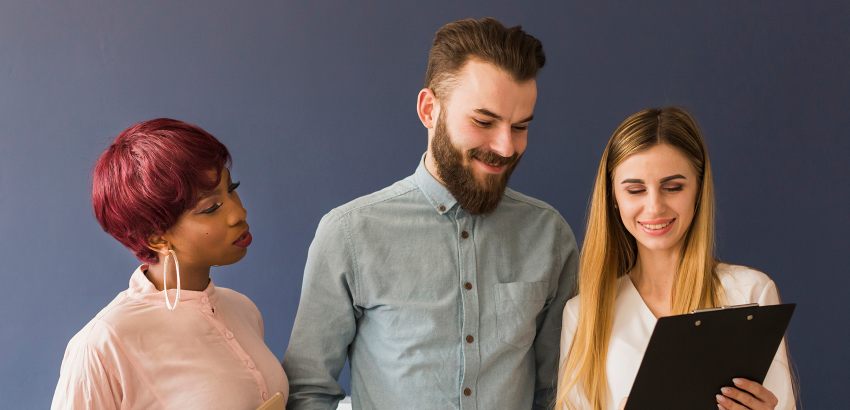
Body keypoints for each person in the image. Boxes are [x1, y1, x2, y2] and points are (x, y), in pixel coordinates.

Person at [282, 17, 578, 410]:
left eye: (520, 126)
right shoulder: (349, 234)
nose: (506, 147)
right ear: (429, 110)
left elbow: (559, 392)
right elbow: (308, 393)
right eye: (484, 121)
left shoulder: (550, 234)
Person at [556, 107, 797, 410]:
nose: (654, 207)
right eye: (635, 190)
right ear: (613, 198)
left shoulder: (749, 293)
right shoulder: (584, 313)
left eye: (673, 188)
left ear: (699, 190)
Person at [51, 119, 289, 409]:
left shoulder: (243, 309)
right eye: (211, 208)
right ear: (156, 238)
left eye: (232, 188)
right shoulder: (102, 346)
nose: (238, 212)